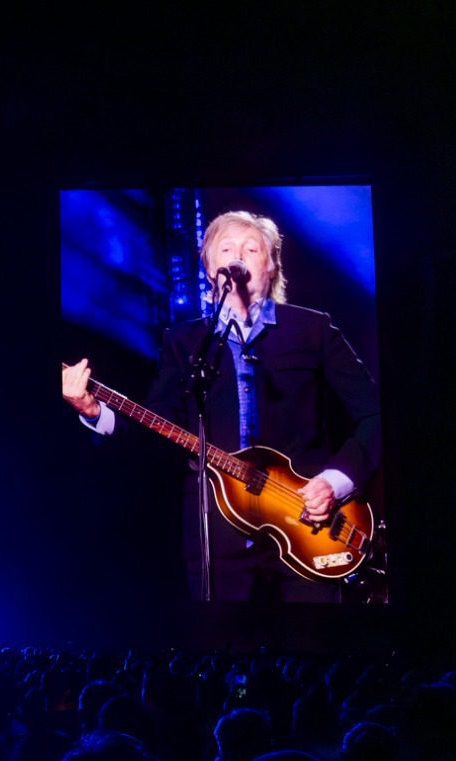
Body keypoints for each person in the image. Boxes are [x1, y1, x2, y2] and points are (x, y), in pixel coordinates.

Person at [62, 210, 381, 602]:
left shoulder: (312, 329)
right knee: (223, 651)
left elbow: (375, 413)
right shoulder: (185, 342)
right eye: (226, 249)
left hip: (311, 525)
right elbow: (157, 426)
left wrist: (335, 482)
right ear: (210, 269)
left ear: (271, 265)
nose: (237, 258)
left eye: (251, 249)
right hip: (218, 535)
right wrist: (95, 411)